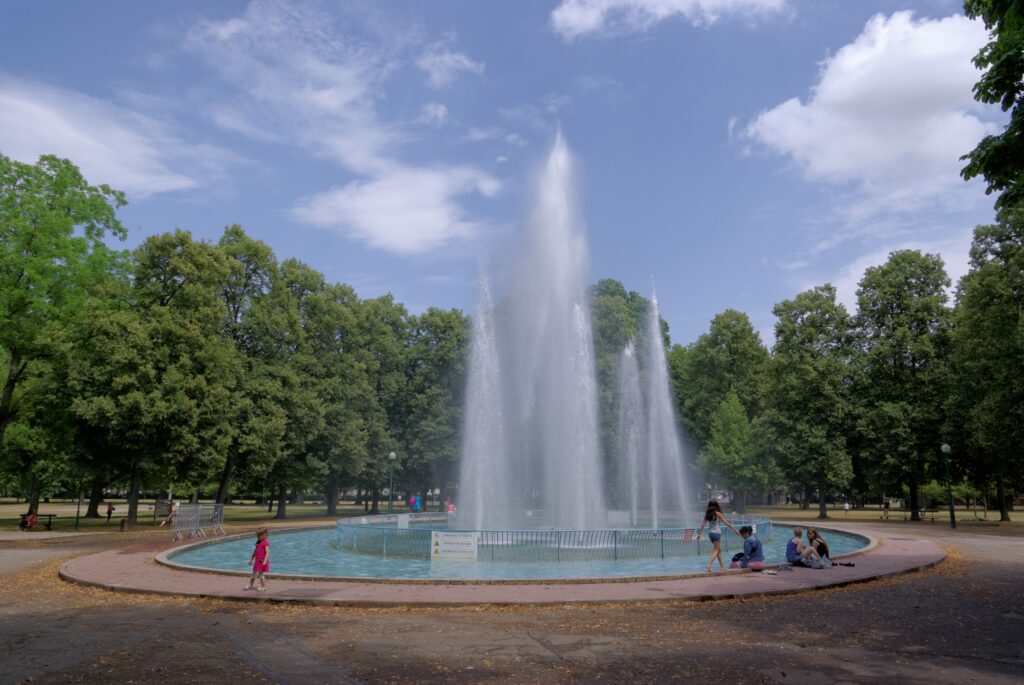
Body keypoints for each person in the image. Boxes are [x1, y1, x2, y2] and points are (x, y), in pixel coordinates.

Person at [696, 499, 740, 572]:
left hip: (711, 534)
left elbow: (702, 525)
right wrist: (735, 529)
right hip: (716, 533)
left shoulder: (707, 514)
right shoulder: (718, 514)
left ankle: (722, 567)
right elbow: (726, 523)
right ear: (716, 505)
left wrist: (699, 534)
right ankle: (709, 564)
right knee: (716, 550)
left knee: (719, 551)